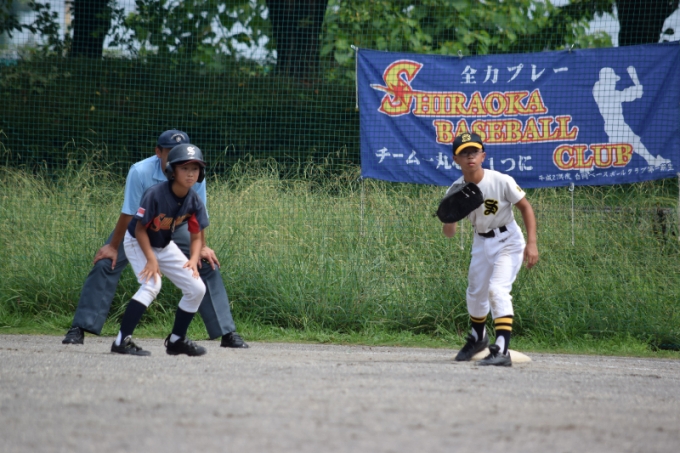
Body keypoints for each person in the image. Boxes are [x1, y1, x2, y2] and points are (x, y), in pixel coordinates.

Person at [63, 130, 248, 348]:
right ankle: (80, 327)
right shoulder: (140, 171)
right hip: (140, 226)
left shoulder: (193, 171)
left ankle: (227, 332)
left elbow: (198, 214)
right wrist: (113, 246)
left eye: (181, 151)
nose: (178, 157)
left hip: (176, 225)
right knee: (106, 262)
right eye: (169, 151)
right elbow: (129, 213)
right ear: (158, 152)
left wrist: (203, 247)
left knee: (204, 262)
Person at [442, 132, 538, 367]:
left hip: (508, 240)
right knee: (475, 292)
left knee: (497, 290)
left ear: (483, 156)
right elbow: (449, 233)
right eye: (464, 153)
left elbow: (525, 208)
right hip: (481, 241)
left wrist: (532, 243)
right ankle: (478, 338)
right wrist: (450, 217)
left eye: (474, 152)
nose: (470, 157)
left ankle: (502, 350)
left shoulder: (500, 180)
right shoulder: (456, 189)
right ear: (455, 159)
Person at [112, 144, 209, 356]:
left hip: (163, 244)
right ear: (172, 170)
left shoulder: (194, 199)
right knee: (152, 284)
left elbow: (196, 235)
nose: (190, 173)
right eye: (184, 168)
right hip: (138, 241)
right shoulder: (155, 194)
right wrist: (150, 259)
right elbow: (140, 229)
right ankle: (121, 341)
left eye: (195, 168)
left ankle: (176, 341)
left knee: (197, 288)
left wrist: (193, 259)